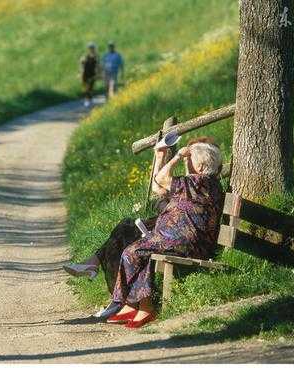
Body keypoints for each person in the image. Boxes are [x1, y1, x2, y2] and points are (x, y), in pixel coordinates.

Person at [64, 137, 223, 327]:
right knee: (135, 241)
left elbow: (162, 179)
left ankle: (123, 303)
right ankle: (136, 305)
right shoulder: (198, 183)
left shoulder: (200, 183)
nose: (186, 161)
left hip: (185, 241)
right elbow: (158, 186)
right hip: (178, 237)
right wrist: (160, 155)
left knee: (134, 251)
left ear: (201, 164)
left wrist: (176, 157)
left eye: (190, 159)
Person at [80, 42, 100, 107]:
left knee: (90, 88)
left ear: (94, 48)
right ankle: (88, 99)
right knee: (85, 88)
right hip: (85, 74)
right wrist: (80, 72)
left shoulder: (96, 56)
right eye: (90, 48)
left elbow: (98, 65)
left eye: (92, 48)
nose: (91, 49)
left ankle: (88, 100)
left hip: (92, 74)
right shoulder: (86, 56)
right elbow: (82, 64)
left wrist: (98, 74)